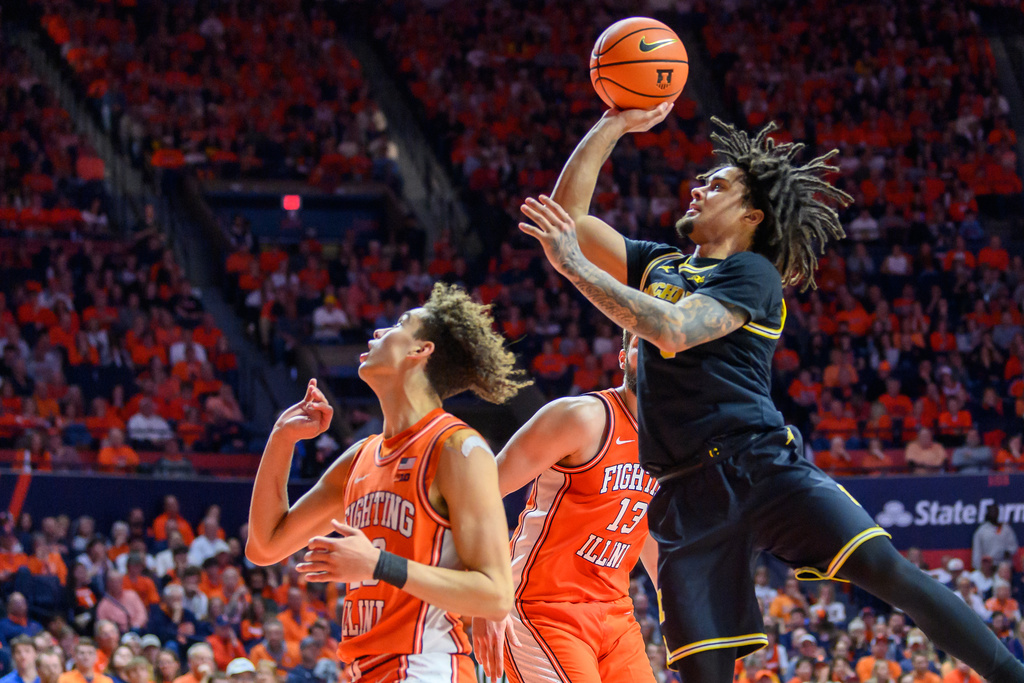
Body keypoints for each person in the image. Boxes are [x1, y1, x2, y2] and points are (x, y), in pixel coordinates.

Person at [522, 107, 1024, 682]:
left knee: (888, 571)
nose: (699, 186)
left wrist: (575, 269)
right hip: (686, 500)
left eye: (718, 184)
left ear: (751, 214)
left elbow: (674, 331)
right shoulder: (658, 265)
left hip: (760, 465)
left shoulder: (752, 273)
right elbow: (568, 219)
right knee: (703, 674)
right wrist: (613, 122)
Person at [246, 283, 529, 681]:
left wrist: (379, 564)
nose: (378, 332)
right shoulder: (359, 459)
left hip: (426, 666)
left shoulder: (458, 448)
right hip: (367, 670)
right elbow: (265, 546)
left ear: (420, 350)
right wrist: (281, 439)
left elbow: (496, 595)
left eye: (399, 324)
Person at [473, 331, 659, 682]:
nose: (653, 349)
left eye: (663, 340)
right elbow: (477, 494)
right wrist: (487, 589)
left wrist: (682, 618)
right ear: (622, 358)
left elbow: (652, 536)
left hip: (616, 614)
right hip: (542, 608)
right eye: (641, 341)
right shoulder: (581, 418)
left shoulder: (674, 444)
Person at [972, 506, 1019, 570]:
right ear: (987, 513)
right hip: (989, 566)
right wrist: (978, 568)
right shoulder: (981, 531)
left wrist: (1008, 552)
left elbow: (1013, 547)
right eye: (992, 512)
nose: (994, 514)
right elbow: (977, 552)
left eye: (995, 511)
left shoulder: (1006, 528)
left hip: (1004, 566)